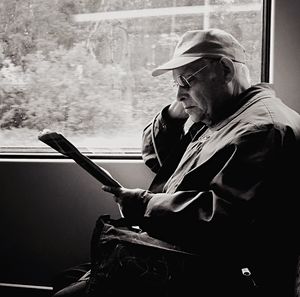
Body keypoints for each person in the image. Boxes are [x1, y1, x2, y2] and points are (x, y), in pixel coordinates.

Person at [53, 28, 300, 297]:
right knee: (67, 277)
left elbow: (226, 220)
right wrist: (177, 111)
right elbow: (160, 161)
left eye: (186, 80)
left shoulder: (260, 130)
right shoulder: (222, 117)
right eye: (176, 84)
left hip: (221, 272)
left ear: (226, 71)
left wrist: (145, 205)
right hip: (193, 254)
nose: (179, 94)